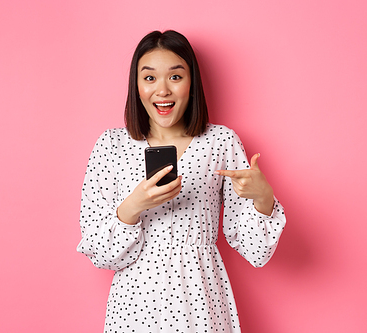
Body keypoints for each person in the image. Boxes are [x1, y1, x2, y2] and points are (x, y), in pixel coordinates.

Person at [77, 30, 286, 333]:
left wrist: (263, 198)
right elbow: (99, 252)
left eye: (175, 77)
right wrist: (133, 207)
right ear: (136, 87)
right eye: (149, 78)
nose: (162, 90)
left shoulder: (220, 142)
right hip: (134, 304)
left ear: (192, 84)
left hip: (201, 300)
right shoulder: (111, 146)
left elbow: (256, 251)